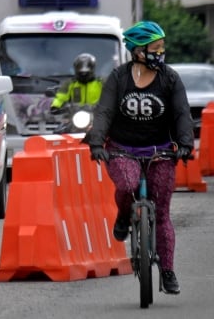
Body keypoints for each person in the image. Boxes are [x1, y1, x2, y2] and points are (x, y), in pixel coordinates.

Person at [82, 20, 194, 295]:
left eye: (162, 47)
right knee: (128, 186)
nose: (161, 52)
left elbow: (181, 114)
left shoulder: (170, 78)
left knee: (163, 211)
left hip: (161, 152)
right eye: (156, 47)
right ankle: (123, 216)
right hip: (122, 149)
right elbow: (105, 111)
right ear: (138, 51)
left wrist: (185, 144)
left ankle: (167, 271)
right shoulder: (119, 78)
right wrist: (97, 142)